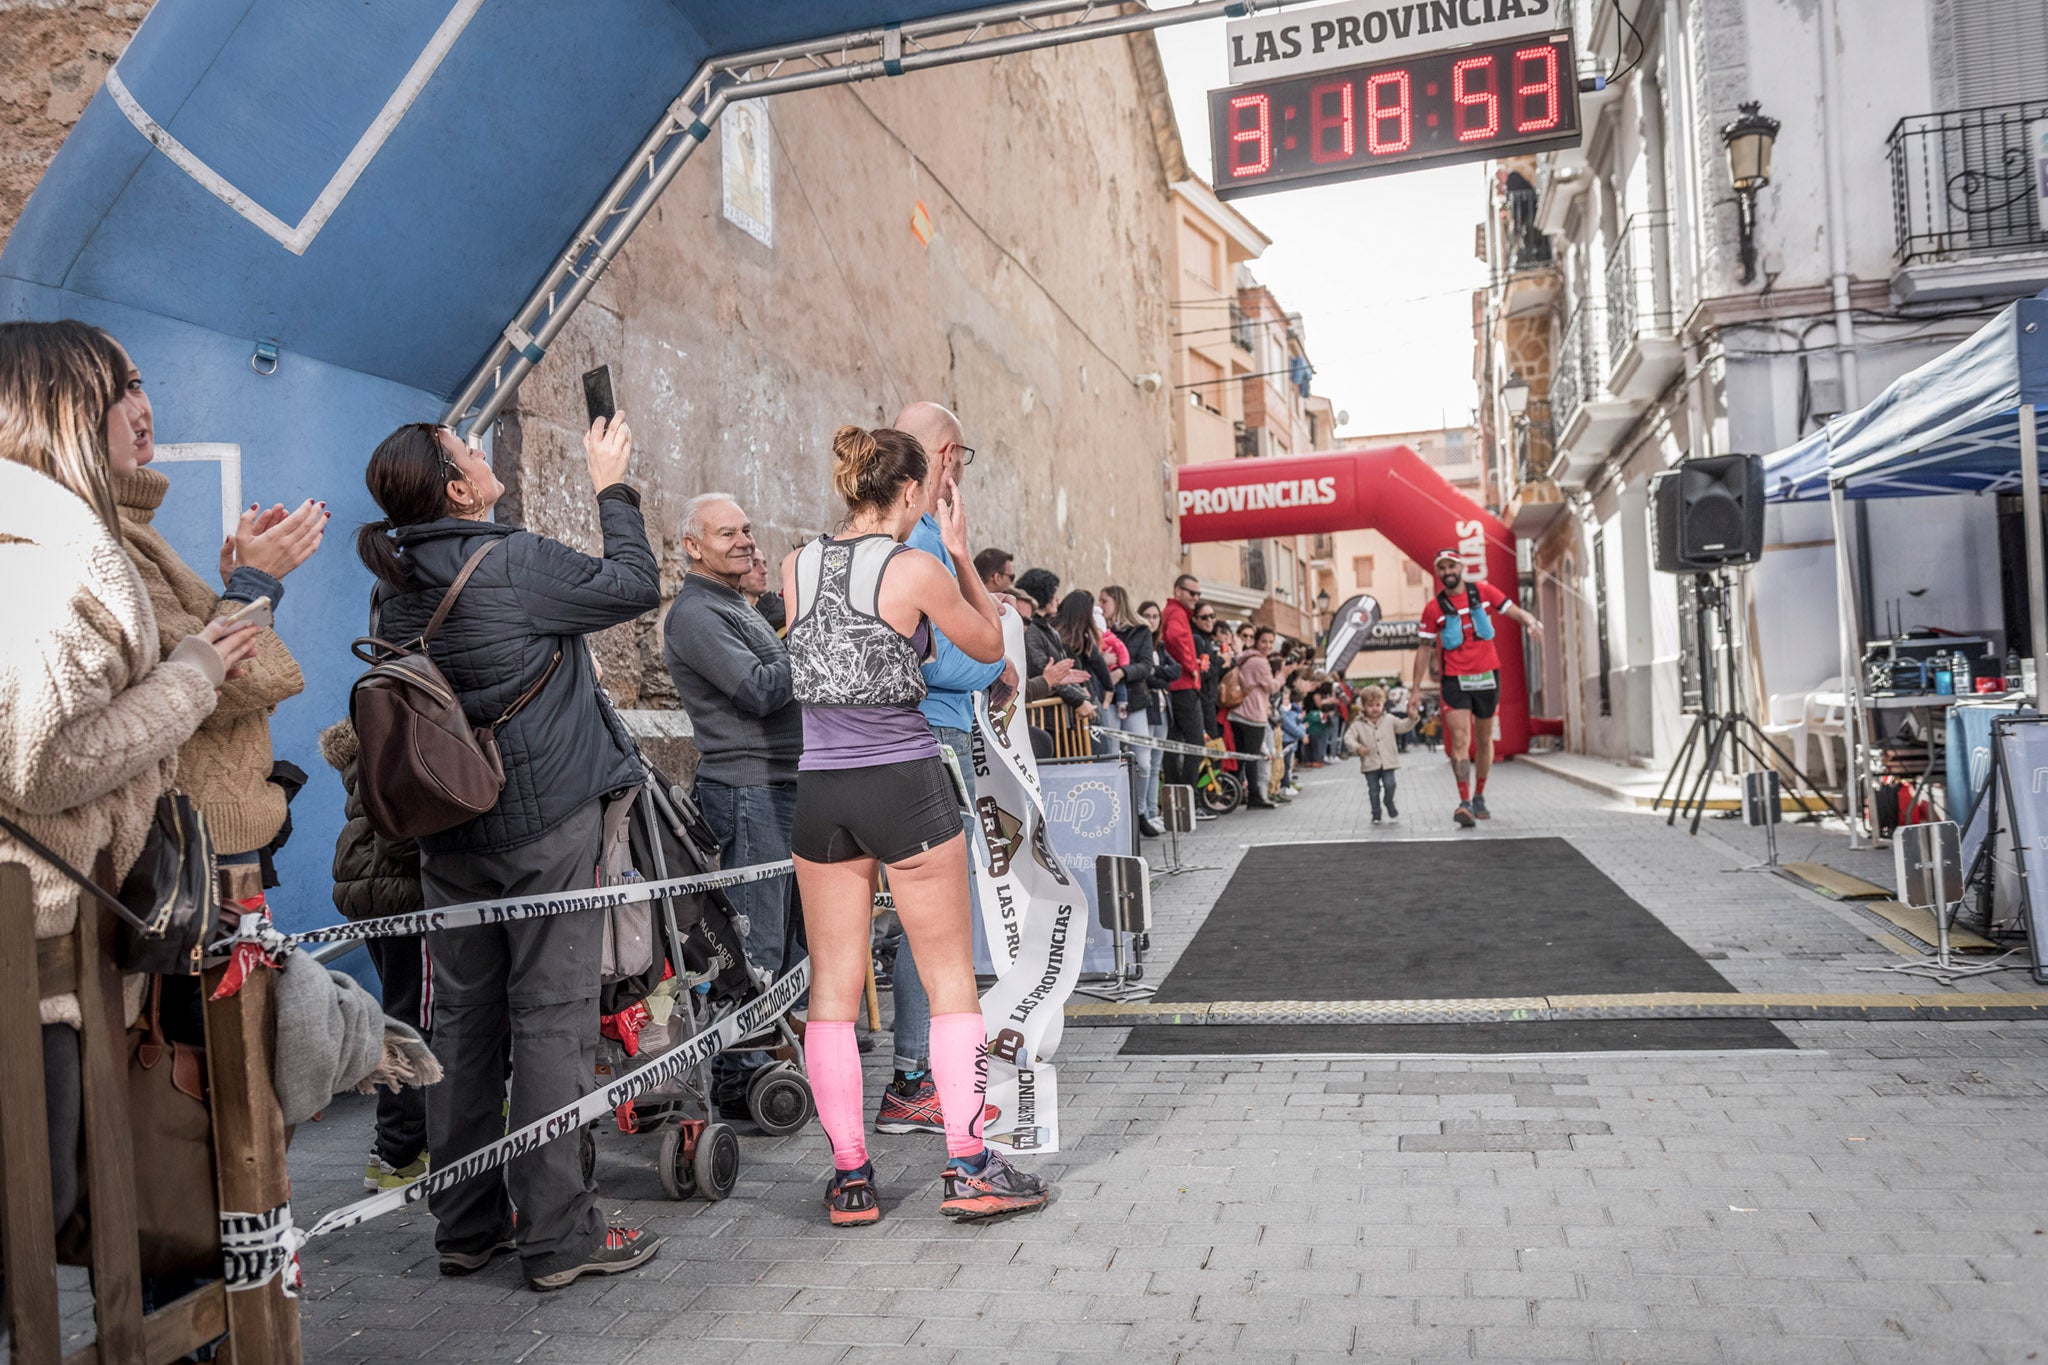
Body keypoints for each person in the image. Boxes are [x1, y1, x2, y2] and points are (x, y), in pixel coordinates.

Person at [360, 415, 663, 1290]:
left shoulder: (394, 585)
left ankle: (466, 1227)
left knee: (461, 1027)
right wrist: (612, 486)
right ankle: (561, 1236)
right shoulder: (513, 562)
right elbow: (634, 584)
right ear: (457, 488)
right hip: (542, 829)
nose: (482, 455)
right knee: (550, 1025)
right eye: (467, 449)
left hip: (448, 834)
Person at [0, 320, 263, 1276]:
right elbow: (41, 760)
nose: (144, 409)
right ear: (68, 408)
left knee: (50, 1212)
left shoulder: (56, 534)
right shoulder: (37, 553)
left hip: (58, 959)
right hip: (25, 967)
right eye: (123, 388)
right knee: (32, 1217)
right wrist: (192, 672)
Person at [782, 425, 1049, 1226]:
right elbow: (989, 644)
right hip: (903, 780)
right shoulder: (916, 568)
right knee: (947, 979)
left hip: (821, 789)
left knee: (831, 986)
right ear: (906, 493)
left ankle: (851, 1178)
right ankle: (969, 1166)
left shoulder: (797, 565)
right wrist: (963, 556)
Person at [874, 400, 1008, 1139]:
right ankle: (920, 1087)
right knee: (938, 930)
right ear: (947, 456)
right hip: (931, 742)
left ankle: (878, 1127)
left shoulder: (858, 541)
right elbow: (956, 657)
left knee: (884, 939)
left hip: (863, 750)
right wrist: (996, 653)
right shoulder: (922, 538)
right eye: (962, 461)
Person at [662, 492, 803, 1123]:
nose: (745, 540)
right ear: (693, 546)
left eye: (747, 528)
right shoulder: (695, 614)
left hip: (778, 788)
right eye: (727, 532)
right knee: (754, 946)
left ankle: (765, 1055)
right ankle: (740, 1075)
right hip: (746, 794)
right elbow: (758, 691)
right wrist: (810, 637)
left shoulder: (733, 605)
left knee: (786, 938)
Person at [1414, 548, 1543, 828]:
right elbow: (1424, 649)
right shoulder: (1433, 608)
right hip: (1454, 679)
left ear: (1461, 568)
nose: (1448, 572)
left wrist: (1530, 621)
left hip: (1486, 676)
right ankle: (1464, 802)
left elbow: (1512, 610)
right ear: (1438, 573)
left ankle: (1480, 794)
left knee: (1484, 740)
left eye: (1452, 567)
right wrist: (1414, 690)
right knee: (1460, 740)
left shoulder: (1483, 592)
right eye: (1442, 569)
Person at [1103, 587, 1162, 836]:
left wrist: (1122, 672)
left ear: (1117, 602)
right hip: (1109, 700)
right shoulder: (1099, 628)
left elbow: (1146, 666)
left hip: (1136, 701)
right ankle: (1116, 816)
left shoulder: (1141, 631)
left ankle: (1139, 813)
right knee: (1111, 759)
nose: (1101, 605)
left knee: (1144, 763)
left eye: (1104, 601)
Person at [1158, 575, 1209, 818]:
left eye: (1198, 594)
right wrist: (1192, 668)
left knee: (1174, 744)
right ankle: (1188, 800)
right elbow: (1177, 639)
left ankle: (1178, 802)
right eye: (1192, 593)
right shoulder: (1176, 613)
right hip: (1183, 687)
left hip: (1175, 687)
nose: (1196, 599)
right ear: (1178, 590)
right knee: (1194, 744)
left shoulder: (1172, 611)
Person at [1229, 626, 1294, 810]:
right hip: (1252, 714)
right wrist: (1284, 674)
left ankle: (1235, 793)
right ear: (1256, 641)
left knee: (1242, 757)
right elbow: (1272, 687)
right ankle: (1255, 797)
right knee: (1253, 757)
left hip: (1239, 712)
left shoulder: (1246, 658)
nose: (1267, 645)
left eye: (1270, 642)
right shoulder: (1259, 662)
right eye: (1264, 641)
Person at [1343, 684, 1417, 824]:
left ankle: (1388, 801)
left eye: (1378, 704)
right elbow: (1348, 738)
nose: (1375, 708)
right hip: (1370, 763)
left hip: (1388, 761)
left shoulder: (1389, 719)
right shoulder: (1358, 723)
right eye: (1370, 705)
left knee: (1390, 784)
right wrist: (1358, 747)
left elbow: (1402, 726)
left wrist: (1412, 718)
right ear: (1363, 706)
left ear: (1383, 704)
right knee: (1373, 790)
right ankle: (1376, 812)